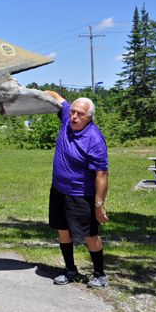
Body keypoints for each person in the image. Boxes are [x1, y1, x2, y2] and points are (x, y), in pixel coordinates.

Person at [43, 91, 109, 289]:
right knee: (63, 231)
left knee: (90, 235)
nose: (74, 116)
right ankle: (70, 269)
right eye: (73, 112)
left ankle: (99, 274)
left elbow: (102, 174)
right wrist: (33, 92)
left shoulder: (95, 139)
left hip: (81, 195)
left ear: (89, 117)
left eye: (80, 114)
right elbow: (57, 97)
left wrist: (99, 204)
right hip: (58, 190)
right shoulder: (66, 118)